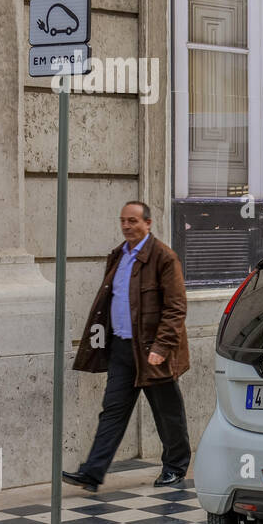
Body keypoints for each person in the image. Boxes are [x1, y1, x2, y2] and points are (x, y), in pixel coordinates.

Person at [65, 201, 192, 491]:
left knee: (167, 412)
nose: (126, 226)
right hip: (122, 348)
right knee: (112, 410)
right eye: (123, 220)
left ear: (148, 223)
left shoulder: (163, 257)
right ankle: (93, 473)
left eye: (133, 221)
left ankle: (175, 467)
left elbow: (176, 308)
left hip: (153, 351)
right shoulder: (119, 256)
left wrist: (161, 347)